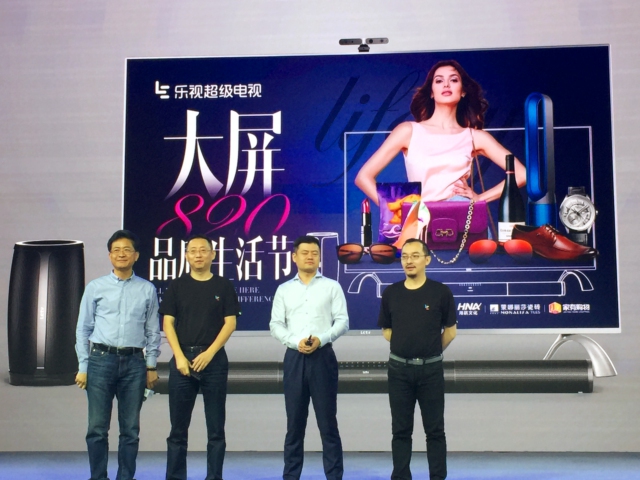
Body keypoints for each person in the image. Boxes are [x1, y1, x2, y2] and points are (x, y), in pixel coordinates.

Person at [355, 59, 526, 206]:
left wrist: (481, 199)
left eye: (453, 80)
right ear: (431, 92)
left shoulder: (475, 137)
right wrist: (394, 212)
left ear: (463, 91)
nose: (446, 84)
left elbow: (522, 174)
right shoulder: (408, 131)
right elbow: (363, 177)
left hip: (462, 216)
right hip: (421, 221)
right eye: (438, 81)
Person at [75, 229, 161, 480]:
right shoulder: (95, 287)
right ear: (110, 255)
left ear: (136, 255)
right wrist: (83, 366)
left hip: (135, 363)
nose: (121, 254)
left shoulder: (147, 289)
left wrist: (151, 365)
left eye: (127, 250)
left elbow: (152, 330)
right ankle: (98, 477)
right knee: (97, 428)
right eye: (116, 250)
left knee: (130, 430)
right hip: (100, 361)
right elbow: (83, 329)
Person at [269, 235, 350, 480]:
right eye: (304, 253)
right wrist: (296, 342)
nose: (310, 257)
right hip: (294, 358)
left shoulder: (332, 287)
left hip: (323, 357)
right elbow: (275, 324)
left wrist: (320, 339)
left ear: (320, 257)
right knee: (294, 425)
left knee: (328, 424)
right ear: (294, 257)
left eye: (315, 253)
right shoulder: (284, 290)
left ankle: (334, 476)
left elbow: (342, 322)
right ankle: (291, 476)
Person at [160, 234, 239, 480]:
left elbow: (230, 323)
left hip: (214, 361)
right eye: (193, 250)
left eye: (203, 250)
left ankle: (214, 477)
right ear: (186, 255)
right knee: (177, 430)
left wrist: (209, 353)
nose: (198, 255)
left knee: (216, 429)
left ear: (213, 254)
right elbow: (167, 323)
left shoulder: (223, 285)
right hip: (182, 360)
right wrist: (179, 356)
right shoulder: (177, 286)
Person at [378, 238, 457, 480]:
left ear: (427, 260)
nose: (408, 261)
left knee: (435, 431)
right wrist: (407, 345)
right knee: (400, 431)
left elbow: (450, 331)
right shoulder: (391, 293)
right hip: (399, 371)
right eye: (404, 257)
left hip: (431, 372)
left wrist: (429, 350)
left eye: (414, 256)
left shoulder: (441, 292)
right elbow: (387, 331)